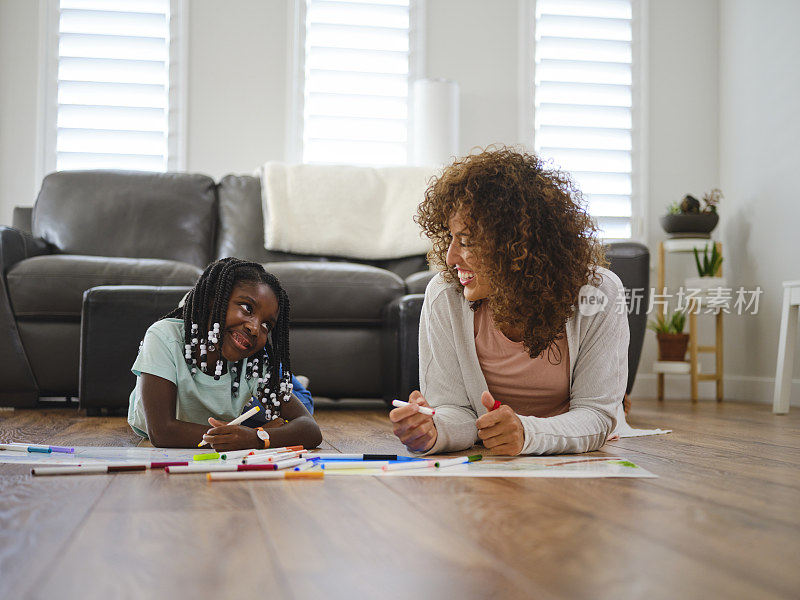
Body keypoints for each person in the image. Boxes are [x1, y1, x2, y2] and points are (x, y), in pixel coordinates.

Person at [390, 147, 629, 456]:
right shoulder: (444, 295)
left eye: (466, 241)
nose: (450, 258)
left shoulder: (599, 293)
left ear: (517, 246)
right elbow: (455, 410)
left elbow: (596, 414)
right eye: (450, 239)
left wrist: (527, 433)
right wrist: (435, 431)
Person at [128, 257, 322, 451]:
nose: (255, 328)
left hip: (237, 403)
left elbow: (310, 429)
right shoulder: (163, 337)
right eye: (247, 308)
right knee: (268, 420)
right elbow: (162, 432)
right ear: (213, 300)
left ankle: (293, 383)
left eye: (266, 325)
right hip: (224, 415)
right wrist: (246, 435)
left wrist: (255, 437)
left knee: (302, 402)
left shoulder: (253, 361)